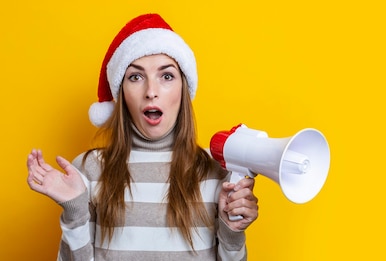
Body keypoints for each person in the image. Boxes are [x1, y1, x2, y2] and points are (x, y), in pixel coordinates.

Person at [26, 13, 258, 261]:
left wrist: (232, 230)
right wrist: (75, 211)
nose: (151, 92)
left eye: (166, 76)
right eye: (135, 77)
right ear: (121, 92)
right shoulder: (89, 170)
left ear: (183, 88)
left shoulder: (216, 174)